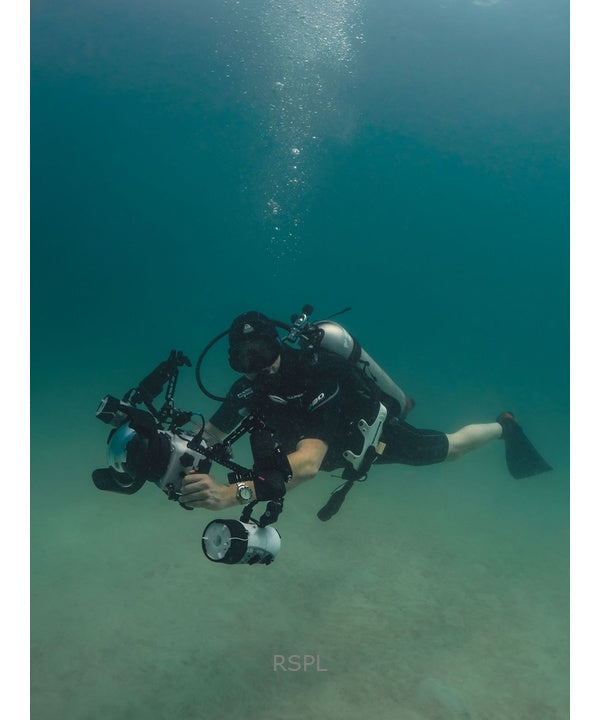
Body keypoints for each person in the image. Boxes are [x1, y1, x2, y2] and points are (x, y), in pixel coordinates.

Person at [179, 311, 551, 512]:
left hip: (371, 437)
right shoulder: (247, 388)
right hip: (331, 452)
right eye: (243, 359)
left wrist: (230, 494)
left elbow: (307, 464)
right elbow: (208, 435)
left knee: (452, 449)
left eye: (261, 353)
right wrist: (169, 450)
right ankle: (408, 405)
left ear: (278, 345)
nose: (255, 366)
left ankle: (504, 427)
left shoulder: (319, 375)